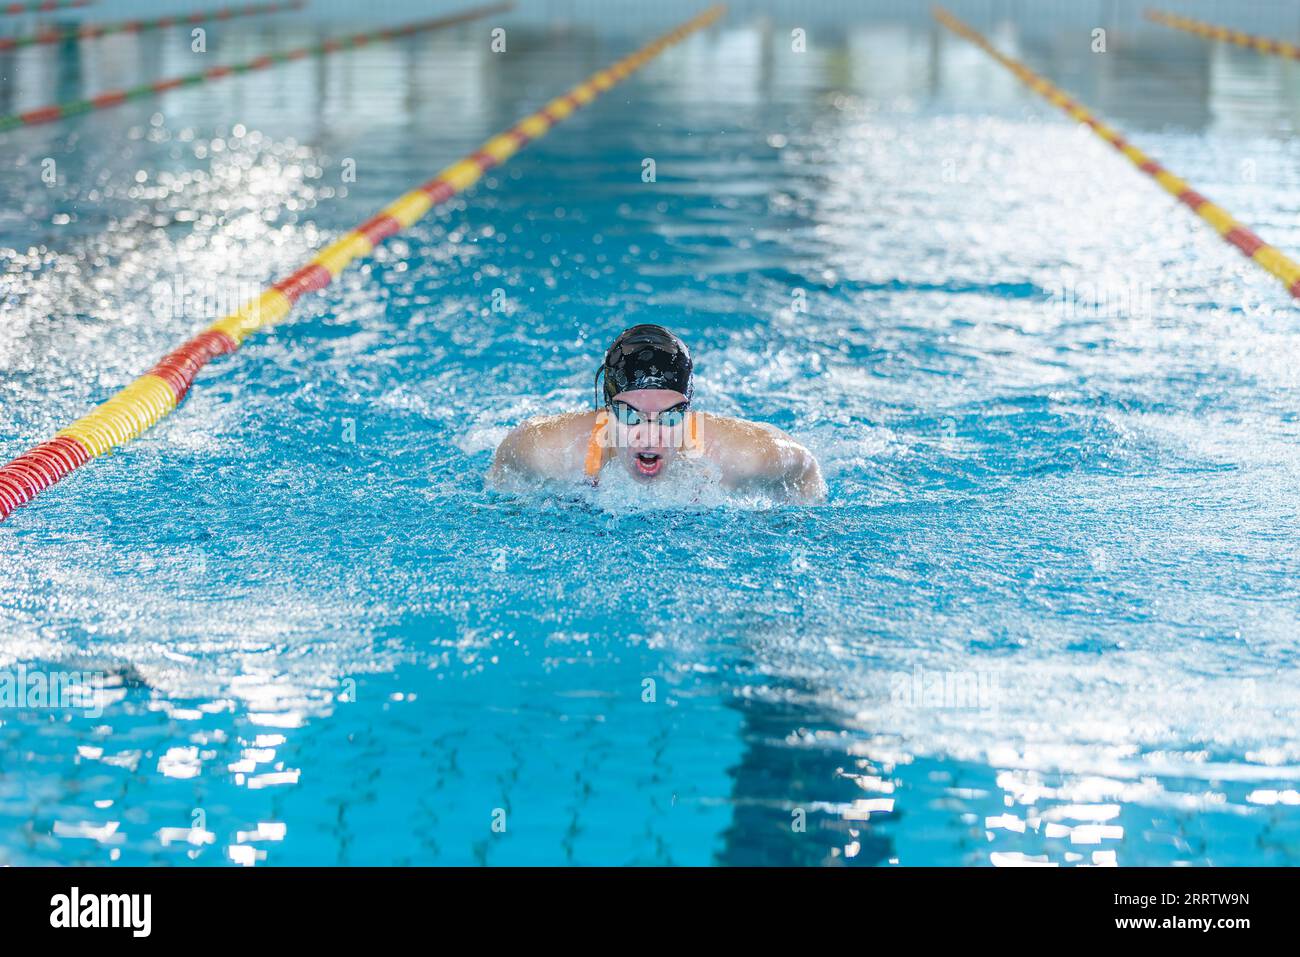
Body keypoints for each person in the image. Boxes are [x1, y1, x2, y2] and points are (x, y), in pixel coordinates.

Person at [489, 324, 825, 502]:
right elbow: (504, 467)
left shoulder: (742, 455)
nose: (649, 433)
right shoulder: (549, 449)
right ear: (607, 409)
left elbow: (805, 468)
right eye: (631, 414)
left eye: (669, 416)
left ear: (689, 410)